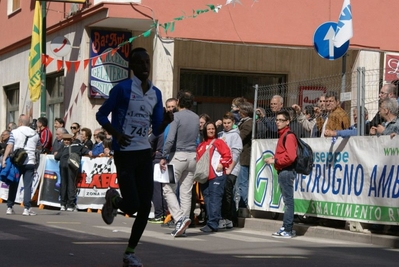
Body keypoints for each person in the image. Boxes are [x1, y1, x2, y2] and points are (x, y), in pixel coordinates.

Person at [96, 47, 163, 267]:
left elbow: (158, 128)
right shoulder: (122, 90)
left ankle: (130, 252)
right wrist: (116, 134)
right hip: (124, 153)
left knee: (145, 206)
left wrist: (169, 120)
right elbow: (101, 114)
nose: (145, 67)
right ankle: (114, 199)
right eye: (140, 63)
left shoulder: (156, 93)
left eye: (147, 62)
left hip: (144, 153)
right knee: (132, 204)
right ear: (131, 67)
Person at [159, 90, 199, 237]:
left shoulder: (176, 116)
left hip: (178, 155)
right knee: (186, 193)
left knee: (167, 188)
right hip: (192, 156)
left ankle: (179, 219)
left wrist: (164, 155)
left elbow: (170, 139)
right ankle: (183, 226)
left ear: (179, 102)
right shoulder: (196, 117)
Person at [264, 110, 298, 238]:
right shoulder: (283, 135)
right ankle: (287, 227)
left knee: (288, 201)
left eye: (281, 120)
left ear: (288, 122)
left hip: (286, 171)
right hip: (283, 170)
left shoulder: (288, 136)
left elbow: (291, 157)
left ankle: (287, 229)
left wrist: (275, 160)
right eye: (277, 120)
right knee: (287, 201)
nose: (278, 122)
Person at [2, 114, 41, 216]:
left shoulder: (14, 132)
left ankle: (10, 207)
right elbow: (39, 147)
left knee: (14, 183)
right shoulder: (36, 134)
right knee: (28, 185)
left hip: (17, 161)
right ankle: (26, 208)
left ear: (19, 122)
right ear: (28, 123)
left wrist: (4, 159)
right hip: (30, 162)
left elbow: (10, 146)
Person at [197, 122, 232, 232]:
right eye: (209, 129)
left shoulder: (219, 142)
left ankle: (213, 223)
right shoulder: (201, 145)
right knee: (207, 199)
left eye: (213, 129)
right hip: (204, 177)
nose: (211, 131)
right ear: (205, 131)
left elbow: (228, 155)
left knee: (214, 199)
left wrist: (222, 164)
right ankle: (210, 221)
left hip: (217, 176)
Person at [148, 97, 177, 224]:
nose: (171, 109)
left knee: (161, 189)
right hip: (164, 158)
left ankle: (161, 214)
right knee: (164, 188)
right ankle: (164, 213)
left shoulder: (166, 125)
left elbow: (149, 141)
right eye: (169, 107)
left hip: (166, 159)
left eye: (173, 106)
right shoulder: (169, 125)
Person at [218, 112, 242, 229]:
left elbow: (236, 153)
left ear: (233, 123)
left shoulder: (235, 136)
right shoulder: (221, 134)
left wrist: (230, 169)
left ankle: (228, 218)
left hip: (231, 169)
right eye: (224, 123)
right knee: (223, 193)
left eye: (229, 123)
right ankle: (225, 217)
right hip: (221, 168)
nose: (226, 125)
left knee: (227, 193)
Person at [54, 133, 90, 211]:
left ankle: (63, 204)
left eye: (67, 140)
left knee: (64, 184)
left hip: (63, 165)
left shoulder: (63, 147)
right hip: (71, 166)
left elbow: (56, 157)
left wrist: (57, 153)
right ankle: (70, 204)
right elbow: (88, 152)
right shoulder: (78, 146)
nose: (66, 141)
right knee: (71, 184)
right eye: (65, 140)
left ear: (71, 140)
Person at [237, 101, 253, 209]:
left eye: (239, 110)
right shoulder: (242, 122)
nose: (238, 112)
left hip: (244, 157)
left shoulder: (249, 123)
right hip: (240, 157)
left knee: (243, 183)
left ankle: (243, 206)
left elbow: (240, 138)